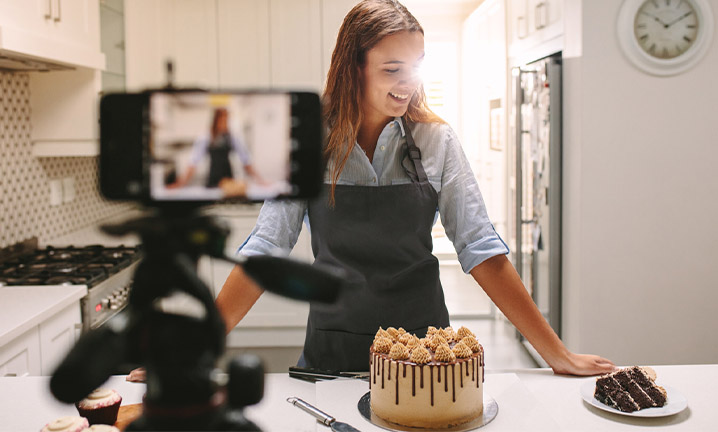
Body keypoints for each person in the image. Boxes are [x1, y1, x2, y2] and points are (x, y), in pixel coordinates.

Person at [128, 0, 614, 381]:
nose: (407, 83)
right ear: (353, 67)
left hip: (424, 351)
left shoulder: (434, 140)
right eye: (391, 69)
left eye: (415, 66)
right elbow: (267, 249)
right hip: (333, 348)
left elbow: (481, 249)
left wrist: (555, 353)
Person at [168, 107, 259, 191]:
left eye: (227, 120)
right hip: (212, 182)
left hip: (228, 183)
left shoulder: (232, 137)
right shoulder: (206, 137)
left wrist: (259, 181)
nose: (225, 123)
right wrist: (180, 184)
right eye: (223, 120)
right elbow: (193, 162)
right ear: (216, 120)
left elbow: (246, 160)